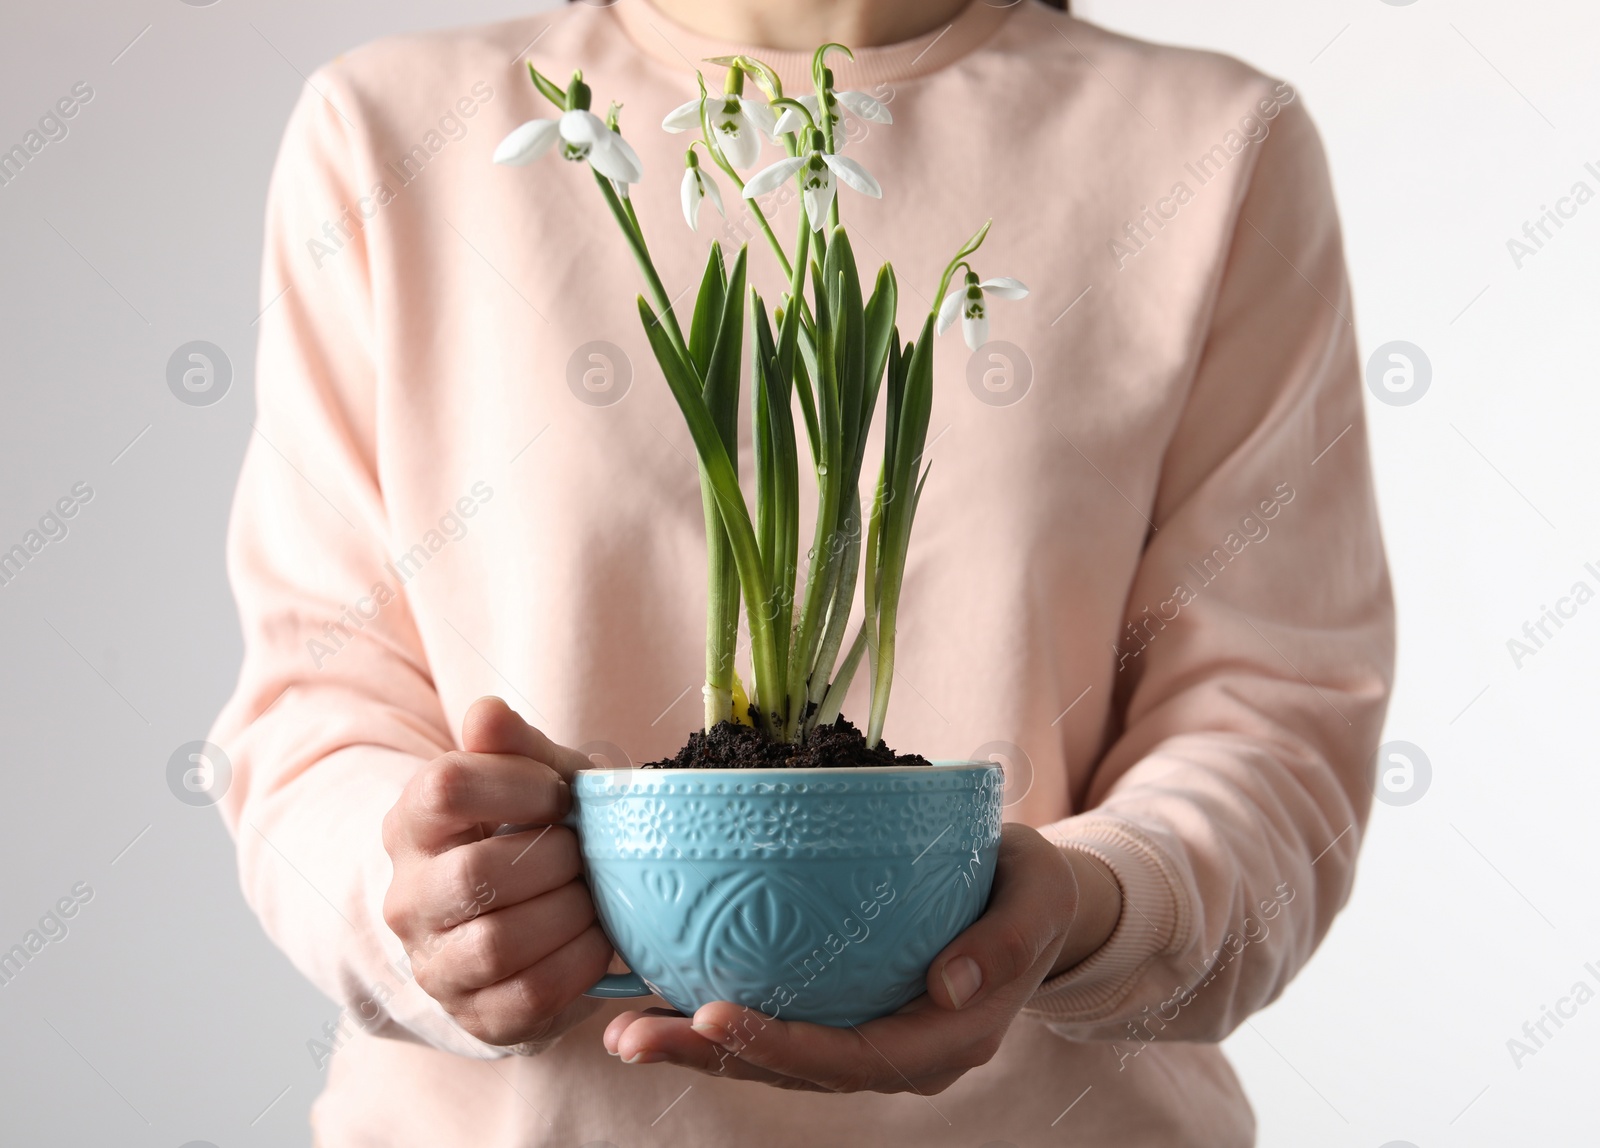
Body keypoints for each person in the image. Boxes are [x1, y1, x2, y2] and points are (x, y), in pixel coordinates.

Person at [210, 0, 1394, 1143]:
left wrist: (1087, 910)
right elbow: (311, 708)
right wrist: (425, 899)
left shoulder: (1212, 144)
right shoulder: (392, 127)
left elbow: (1271, 721)